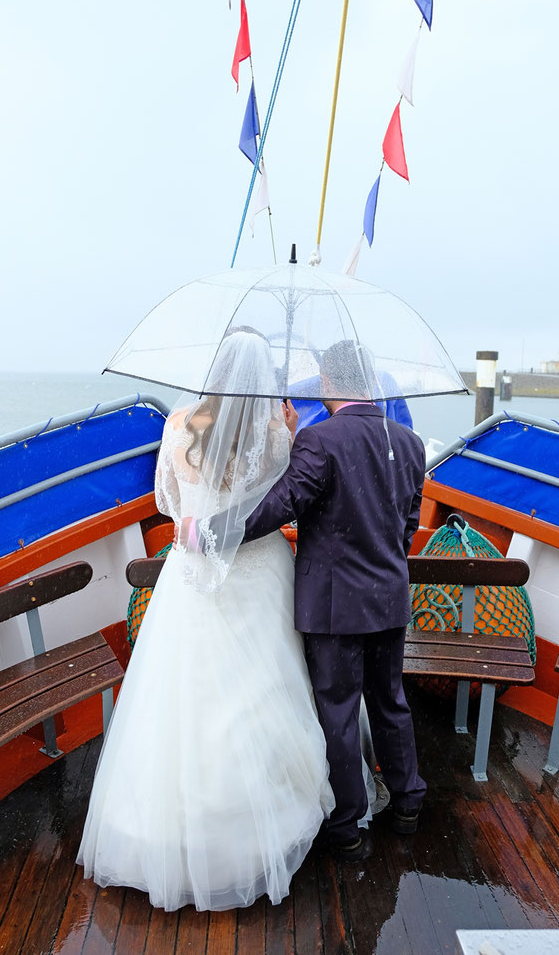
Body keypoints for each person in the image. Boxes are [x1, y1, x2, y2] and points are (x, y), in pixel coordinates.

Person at [76, 330, 335, 912]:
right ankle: (258, 830)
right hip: (259, 574)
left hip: (189, 577)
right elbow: (278, 502)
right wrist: (290, 436)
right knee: (264, 691)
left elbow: (167, 504)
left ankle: (159, 837)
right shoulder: (277, 438)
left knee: (177, 697)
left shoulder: (177, 428)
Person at [193, 339, 427, 860]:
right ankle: (409, 801)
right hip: (388, 599)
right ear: (367, 381)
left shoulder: (320, 441)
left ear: (328, 383)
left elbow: (280, 505)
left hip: (333, 606)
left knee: (339, 711)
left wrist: (213, 533)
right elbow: (407, 524)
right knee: (390, 702)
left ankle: (346, 829)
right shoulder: (410, 443)